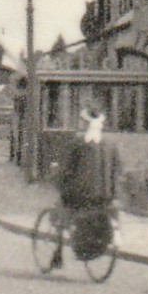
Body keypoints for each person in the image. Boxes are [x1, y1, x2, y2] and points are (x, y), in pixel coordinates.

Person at [50, 104, 116, 270]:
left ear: (85, 124)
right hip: (104, 196)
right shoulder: (110, 145)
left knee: (60, 209)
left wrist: (56, 179)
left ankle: (58, 252)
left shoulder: (78, 143)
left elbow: (66, 170)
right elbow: (117, 170)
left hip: (80, 196)